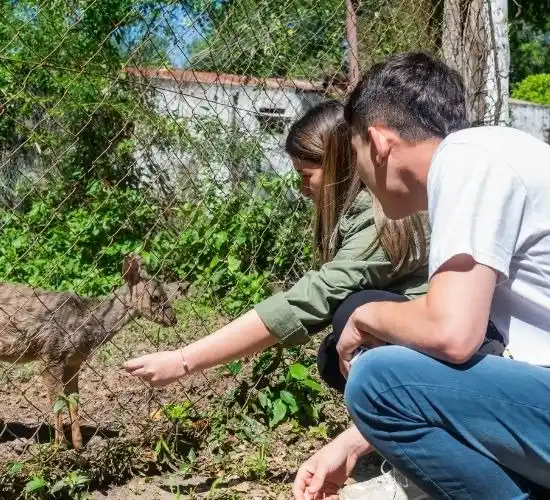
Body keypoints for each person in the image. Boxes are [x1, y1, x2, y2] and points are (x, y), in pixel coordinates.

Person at [293, 51, 550, 500]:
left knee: (377, 380)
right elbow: (497, 369)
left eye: (355, 153)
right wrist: (356, 441)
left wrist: (364, 319)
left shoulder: (467, 161)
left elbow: (452, 335)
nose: (360, 176)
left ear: (377, 143)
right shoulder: (492, 155)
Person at [125, 99, 506, 497]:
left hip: (475, 356)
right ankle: (396, 439)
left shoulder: (384, 222)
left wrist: (184, 361)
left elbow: (305, 301)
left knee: (351, 315)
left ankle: (424, 454)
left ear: (341, 163)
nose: (301, 187)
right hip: (451, 350)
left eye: (307, 174)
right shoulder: (365, 211)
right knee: (333, 353)